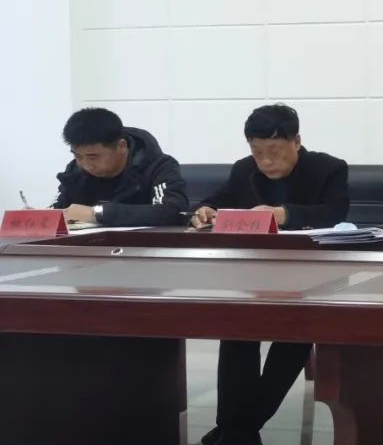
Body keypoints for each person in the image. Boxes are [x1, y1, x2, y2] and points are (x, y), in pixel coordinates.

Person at [193, 104, 349, 445]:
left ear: (296, 141)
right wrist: (204, 211)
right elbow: (215, 202)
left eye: (274, 152)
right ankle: (238, 431)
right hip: (254, 275)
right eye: (257, 152)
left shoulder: (328, 168)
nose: (265, 161)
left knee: (294, 333)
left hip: (313, 279)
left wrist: (283, 213)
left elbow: (335, 212)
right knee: (235, 331)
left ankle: (235, 430)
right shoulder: (243, 170)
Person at [52, 107, 187, 226]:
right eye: (77, 156)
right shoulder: (76, 170)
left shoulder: (158, 167)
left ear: (122, 146)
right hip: (87, 244)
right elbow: (57, 210)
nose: (86, 165)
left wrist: (97, 213)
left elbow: (171, 211)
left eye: (92, 157)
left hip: (142, 244)